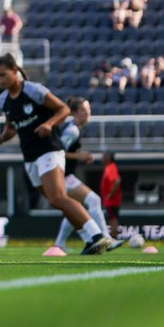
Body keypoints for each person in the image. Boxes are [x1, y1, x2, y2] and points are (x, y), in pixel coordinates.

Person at [0, 54, 113, 254]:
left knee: (57, 197)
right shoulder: (4, 100)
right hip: (29, 156)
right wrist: (2, 138)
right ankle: (89, 240)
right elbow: (12, 127)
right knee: (56, 200)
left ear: (14, 71)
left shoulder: (33, 90)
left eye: (3, 75)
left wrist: (48, 123)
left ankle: (98, 236)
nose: (0, 80)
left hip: (48, 149)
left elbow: (63, 109)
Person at [52, 97, 118, 252]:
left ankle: (59, 244)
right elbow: (58, 151)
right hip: (62, 176)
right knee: (94, 200)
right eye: (83, 110)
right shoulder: (72, 130)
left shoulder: (75, 129)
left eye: (88, 109)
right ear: (74, 113)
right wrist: (79, 156)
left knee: (74, 209)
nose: (88, 113)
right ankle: (105, 238)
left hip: (64, 175)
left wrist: (80, 155)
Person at [100, 152, 121, 238]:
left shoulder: (110, 167)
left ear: (108, 158)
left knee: (113, 219)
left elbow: (117, 181)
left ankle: (113, 237)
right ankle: (113, 236)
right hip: (110, 200)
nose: (102, 158)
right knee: (111, 218)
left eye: (104, 156)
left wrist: (110, 194)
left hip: (112, 201)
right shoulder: (109, 167)